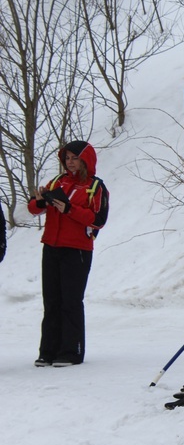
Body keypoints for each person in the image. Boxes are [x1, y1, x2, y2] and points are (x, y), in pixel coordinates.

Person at [28, 141, 109, 367]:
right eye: (67, 158)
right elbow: (33, 209)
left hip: (77, 250)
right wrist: (40, 201)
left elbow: (99, 220)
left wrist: (70, 209)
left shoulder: (95, 186)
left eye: (74, 158)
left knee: (70, 301)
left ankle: (70, 351)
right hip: (51, 246)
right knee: (51, 300)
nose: (70, 162)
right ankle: (48, 351)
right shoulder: (57, 182)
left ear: (86, 160)